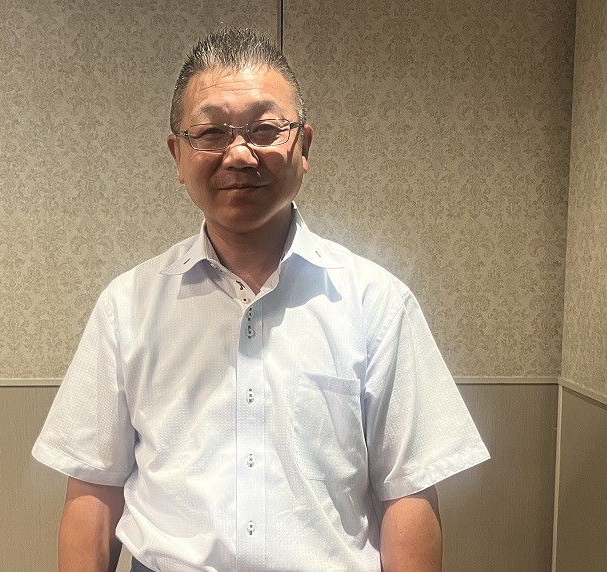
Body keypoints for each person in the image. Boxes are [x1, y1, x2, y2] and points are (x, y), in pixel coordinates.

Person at [33, 27, 490, 572]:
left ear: (304, 147)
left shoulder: (377, 303)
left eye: (265, 130)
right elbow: (95, 491)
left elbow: (407, 493)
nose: (239, 154)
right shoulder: (127, 305)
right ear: (178, 156)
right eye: (211, 133)